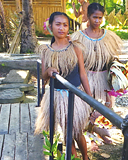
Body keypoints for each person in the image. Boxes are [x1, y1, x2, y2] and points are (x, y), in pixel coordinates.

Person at [34, 11, 92, 160]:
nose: (62, 28)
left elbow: (83, 74)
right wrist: (48, 71)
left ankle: (85, 157)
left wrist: (90, 98)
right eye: (58, 24)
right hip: (57, 96)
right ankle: (74, 157)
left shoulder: (75, 48)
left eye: (65, 25)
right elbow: (44, 78)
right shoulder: (46, 51)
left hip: (76, 95)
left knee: (77, 131)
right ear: (50, 26)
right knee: (67, 132)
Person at [71, 3, 123, 148]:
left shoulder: (109, 37)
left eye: (100, 18)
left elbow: (113, 59)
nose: (97, 21)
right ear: (88, 16)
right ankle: (85, 131)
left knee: (106, 106)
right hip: (86, 75)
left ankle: (103, 132)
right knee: (84, 105)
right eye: (94, 17)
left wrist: (115, 75)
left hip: (103, 76)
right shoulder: (78, 37)